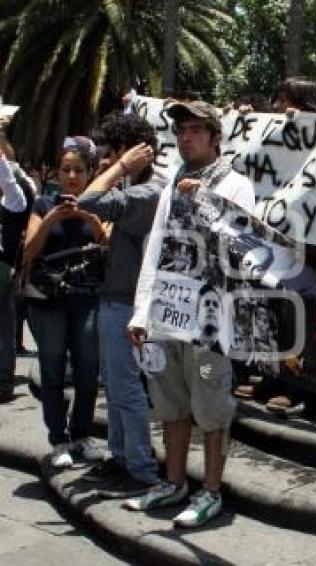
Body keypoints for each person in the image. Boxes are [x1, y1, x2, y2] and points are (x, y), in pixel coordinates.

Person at [125, 100, 255, 528]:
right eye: (181, 130)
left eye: (197, 129)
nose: (187, 137)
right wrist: (141, 312)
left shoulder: (236, 184)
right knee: (170, 404)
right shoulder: (169, 186)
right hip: (167, 313)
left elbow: (239, 246)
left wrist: (202, 201)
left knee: (213, 409)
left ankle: (211, 490)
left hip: (210, 320)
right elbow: (155, 251)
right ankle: (174, 481)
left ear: (215, 137)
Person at [75, 113, 164, 495]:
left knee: (125, 388)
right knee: (114, 386)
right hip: (115, 299)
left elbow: (88, 198)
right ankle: (121, 457)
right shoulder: (137, 189)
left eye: (115, 153)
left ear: (135, 153)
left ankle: (141, 470)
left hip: (129, 305)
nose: (109, 162)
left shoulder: (149, 192)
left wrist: (121, 169)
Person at [23, 136, 107, 468]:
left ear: (90, 174)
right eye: (65, 169)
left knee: (88, 371)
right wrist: (51, 220)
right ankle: (58, 440)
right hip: (48, 301)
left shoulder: (100, 204)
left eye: (78, 170)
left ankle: (81, 436)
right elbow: (28, 251)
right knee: (52, 368)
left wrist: (89, 218)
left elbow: (108, 245)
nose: (71, 176)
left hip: (86, 297)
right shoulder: (43, 204)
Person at [0, 126, 35, 403]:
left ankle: (3, 383)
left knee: (5, 329)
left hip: (4, 268)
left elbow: (20, 199)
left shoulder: (14, 196)